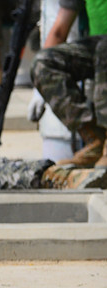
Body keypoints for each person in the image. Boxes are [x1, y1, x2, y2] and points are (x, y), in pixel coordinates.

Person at [31, 0, 107, 168]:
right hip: (100, 48)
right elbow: (59, 31)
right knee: (44, 63)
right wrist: (38, 91)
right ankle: (94, 140)